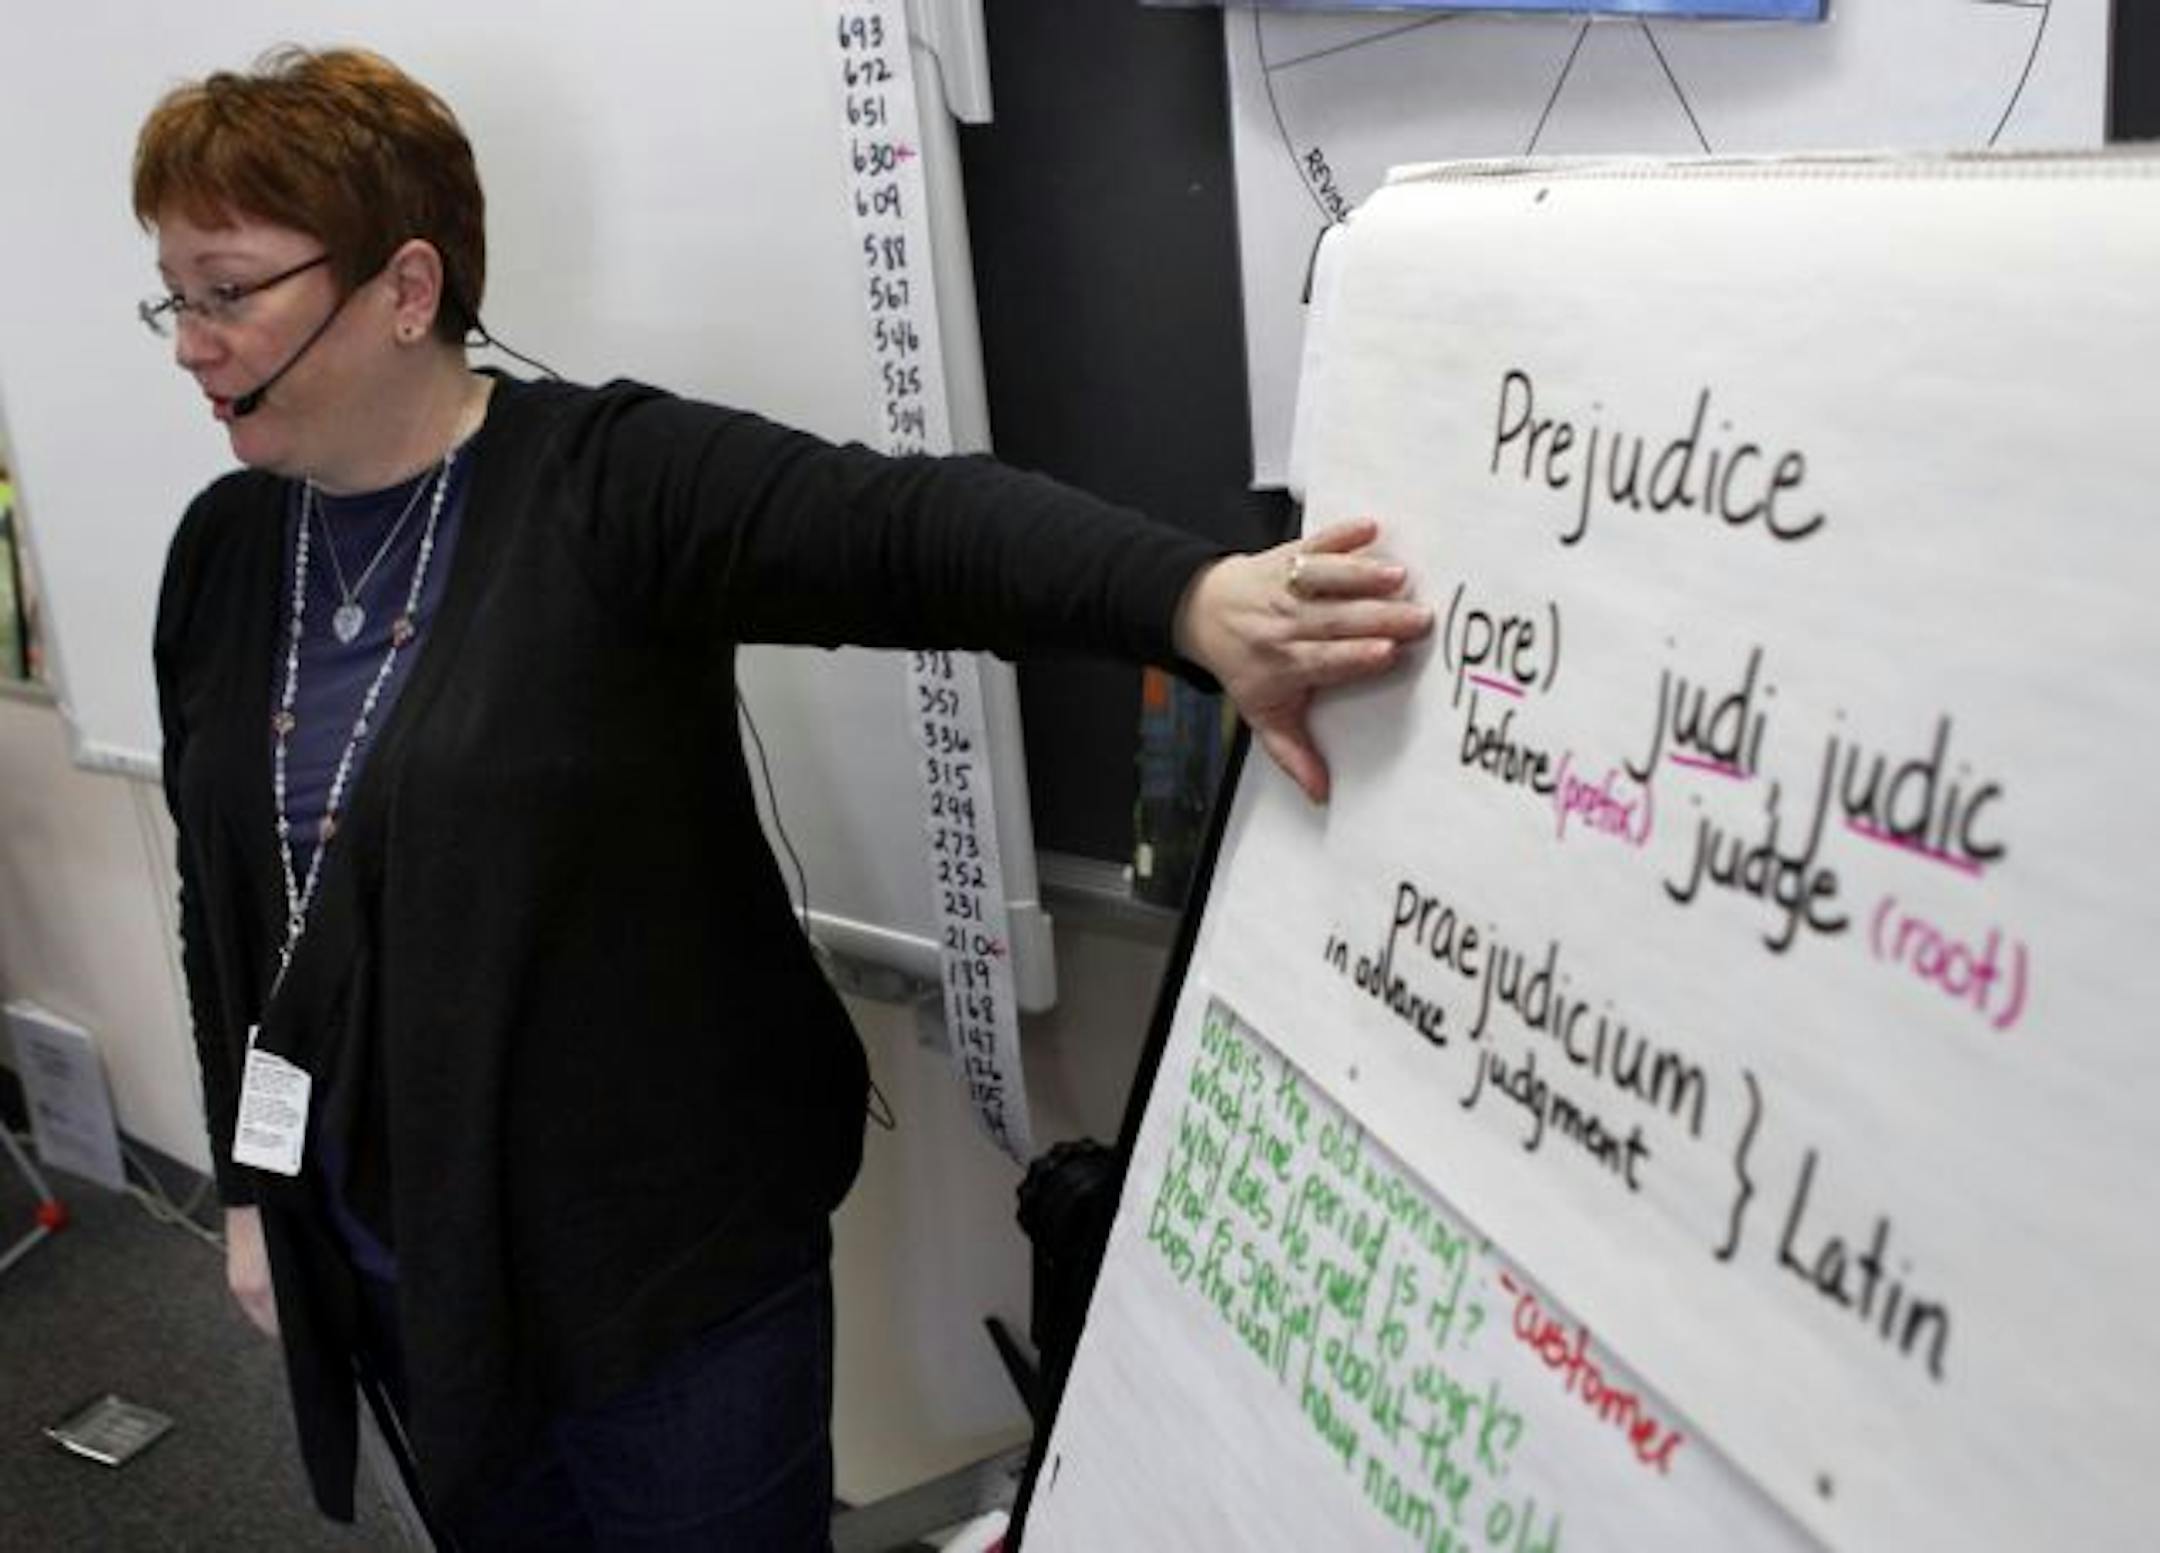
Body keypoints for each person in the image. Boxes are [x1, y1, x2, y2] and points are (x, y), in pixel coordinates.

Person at [140, 46, 1430, 1550]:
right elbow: (223, 909)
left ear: (406, 286)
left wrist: (1192, 598)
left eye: (228, 292)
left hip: (666, 1283)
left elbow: (905, 528)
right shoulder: (226, 553)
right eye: (175, 294)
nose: (191, 342)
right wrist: (249, 1185)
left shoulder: (607, 484)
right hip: (405, 1267)